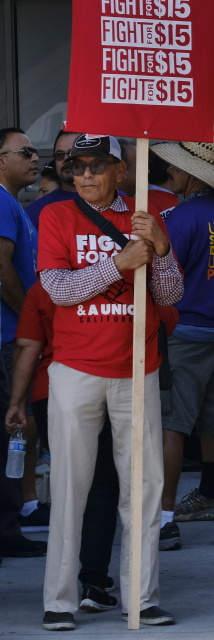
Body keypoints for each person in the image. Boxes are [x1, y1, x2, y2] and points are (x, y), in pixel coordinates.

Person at [38, 134, 183, 630]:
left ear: (120, 170)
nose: (85, 176)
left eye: (97, 166)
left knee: (143, 490)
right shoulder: (55, 216)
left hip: (137, 369)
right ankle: (59, 600)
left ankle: (141, 599)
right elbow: (57, 289)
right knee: (69, 489)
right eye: (76, 167)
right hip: (76, 370)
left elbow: (170, 292)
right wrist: (116, 264)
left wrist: (160, 248)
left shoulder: (144, 217)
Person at [7, 281, 181, 615]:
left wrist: (17, 401)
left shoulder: (46, 286)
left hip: (57, 389)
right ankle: (98, 583)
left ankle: (68, 598)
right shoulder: (135, 280)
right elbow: (168, 321)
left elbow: (28, 345)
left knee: (72, 485)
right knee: (108, 484)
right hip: (106, 380)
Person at [150, 130, 214, 552]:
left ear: (193, 174)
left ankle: (166, 520)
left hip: (184, 334)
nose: (169, 171)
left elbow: (161, 278)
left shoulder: (176, 220)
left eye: (175, 166)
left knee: (172, 425)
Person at [0, 126, 44, 560]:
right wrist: (28, 321)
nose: (35, 158)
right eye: (24, 151)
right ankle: (8, 529)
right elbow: (2, 268)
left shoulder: (12, 202)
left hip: (13, 335)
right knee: (14, 426)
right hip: (8, 337)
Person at [26, 130, 81, 229]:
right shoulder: (35, 211)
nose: (66, 159)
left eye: (72, 153)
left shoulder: (114, 200)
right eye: (60, 155)